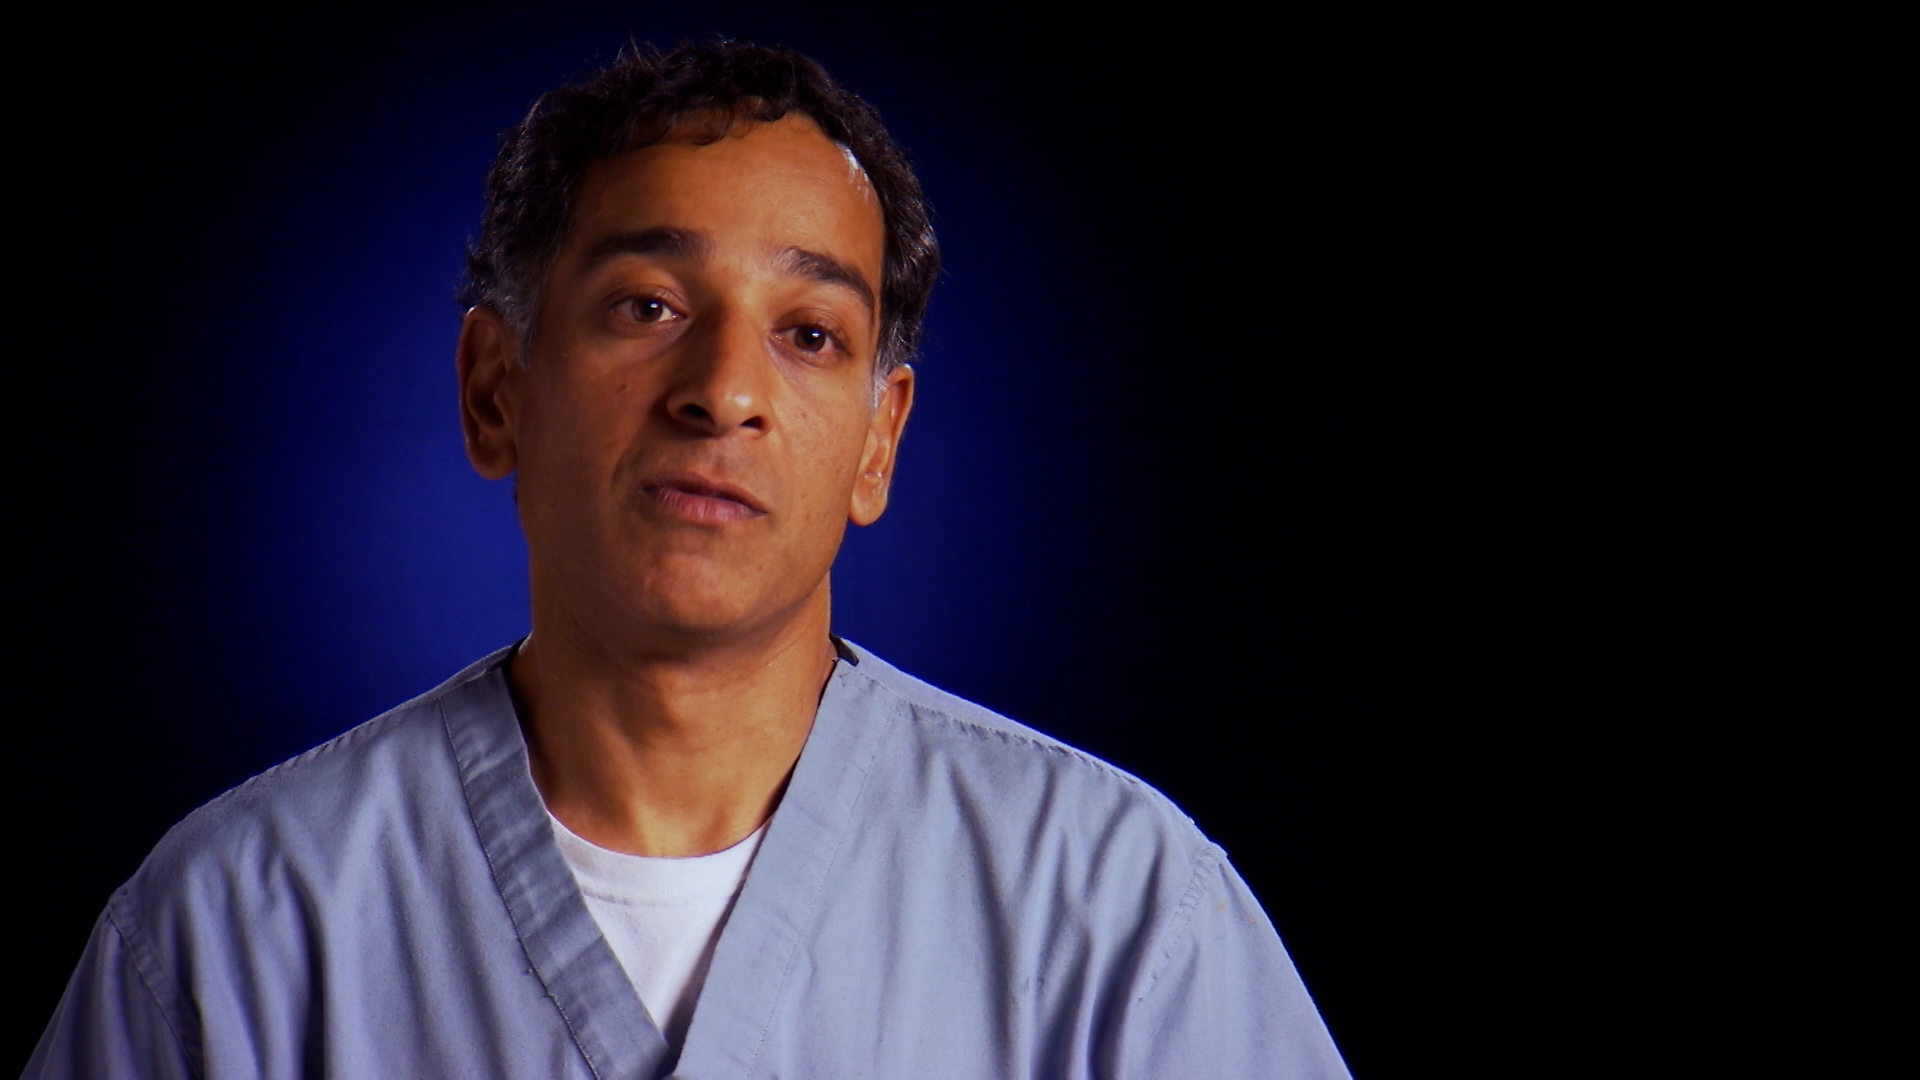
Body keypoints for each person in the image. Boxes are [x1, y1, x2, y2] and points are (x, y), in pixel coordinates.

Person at [29, 41, 1348, 1079]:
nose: (724, 390)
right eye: (648, 306)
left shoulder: (1120, 913)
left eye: (809, 334)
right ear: (496, 390)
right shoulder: (234, 933)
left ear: (879, 442)